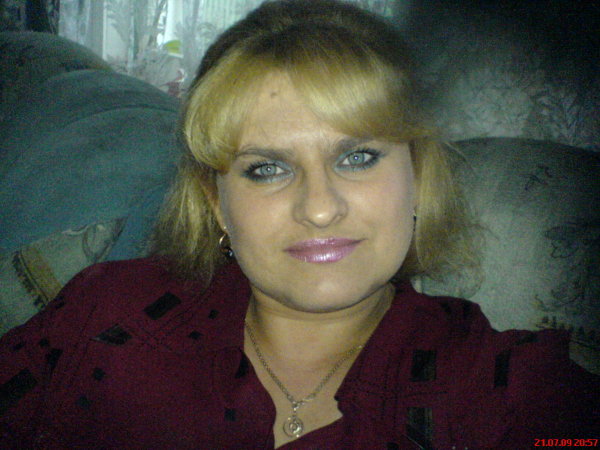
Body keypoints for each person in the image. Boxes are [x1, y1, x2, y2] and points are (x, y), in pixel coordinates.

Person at [1, 0, 598, 448]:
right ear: (216, 203)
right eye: (267, 169)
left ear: (417, 177)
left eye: (357, 157)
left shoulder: (505, 391)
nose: (319, 207)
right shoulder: (107, 318)